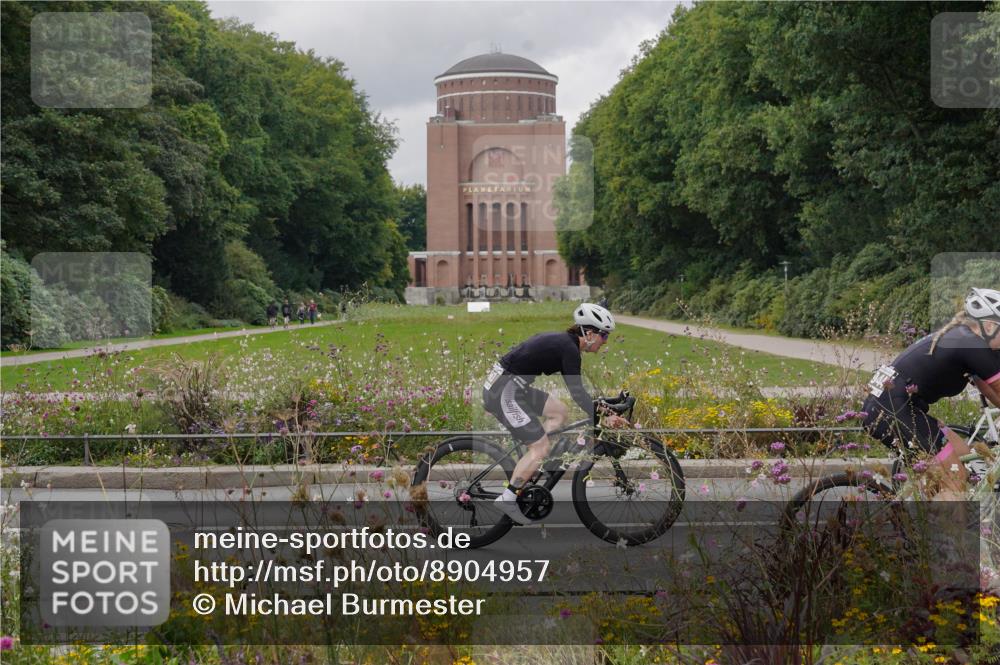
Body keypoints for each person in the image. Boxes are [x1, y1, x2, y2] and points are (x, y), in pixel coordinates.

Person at [483, 303, 630, 524]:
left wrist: (602, 406)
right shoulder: (569, 348)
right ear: (589, 333)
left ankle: (536, 461)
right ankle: (509, 496)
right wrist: (604, 415)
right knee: (540, 447)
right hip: (503, 391)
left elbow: (580, 392)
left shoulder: (567, 345)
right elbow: (578, 393)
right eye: (604, 336)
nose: (605, 342)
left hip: (513, 386)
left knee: (559, 412)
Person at [861, 288, 1000, 496]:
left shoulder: (963, 339)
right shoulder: (972, 344)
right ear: (989, 325)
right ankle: (946, 528)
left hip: (896, 409)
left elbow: (991, 391)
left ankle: (926, 516)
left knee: (969, 460)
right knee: (956, 477)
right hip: (893, 412)